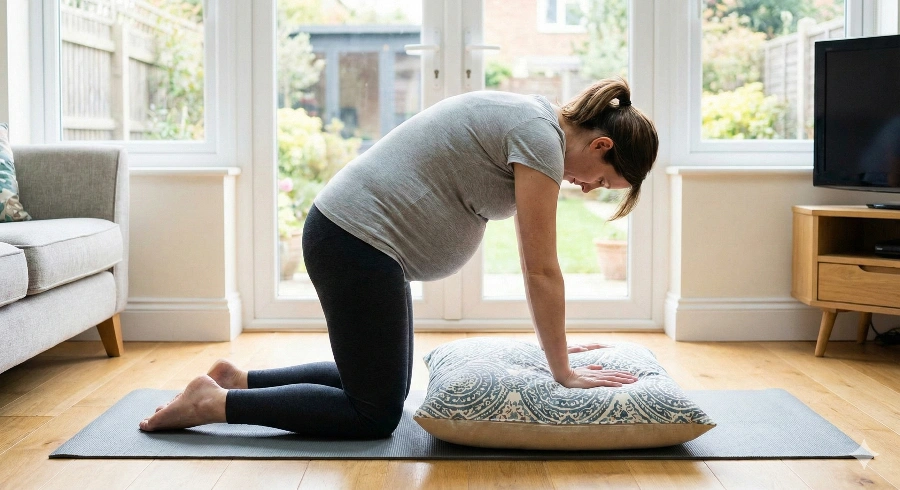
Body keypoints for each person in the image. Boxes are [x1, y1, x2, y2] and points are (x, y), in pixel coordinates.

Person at [139, 76, 659, 437]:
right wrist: (562, 368)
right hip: (355, 241)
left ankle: (236, 380)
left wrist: (560, 353)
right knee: (374, 413)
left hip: (360, 242)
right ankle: (213, 405)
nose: (590, 189)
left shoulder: (535, 123)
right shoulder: (538, 136)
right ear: (601, 146)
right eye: (604, 181)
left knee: (376, 380)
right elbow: (541, 268)